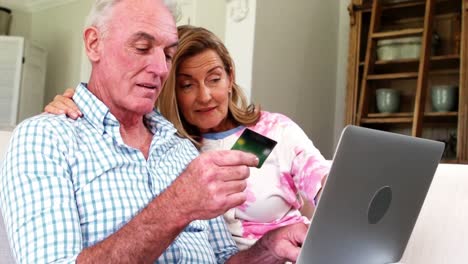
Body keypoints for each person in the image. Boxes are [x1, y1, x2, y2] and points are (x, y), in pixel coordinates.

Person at [0, 0, 308, 263]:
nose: (161, 68)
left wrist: (268, 248)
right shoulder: (46, 140)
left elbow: (224, 258)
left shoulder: (184, 149)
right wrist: (177, 205)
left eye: (168, 55)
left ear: (231, 78)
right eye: (142, 47)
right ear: (94, 43)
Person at [44, 24, 331, 251]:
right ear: (168, 90)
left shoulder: (270, 132)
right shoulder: (165, 145)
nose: (205, 96)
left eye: (214, 79)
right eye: (187, 85)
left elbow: (328, 188)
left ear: (230, 77)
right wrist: (72, 103)